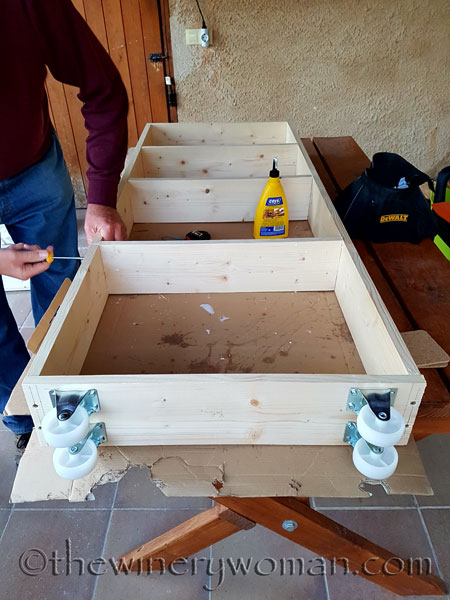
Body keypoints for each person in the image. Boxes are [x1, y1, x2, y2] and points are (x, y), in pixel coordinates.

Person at [0, 0, 129, 453]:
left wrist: (102, 199)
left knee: (59, 285)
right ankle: (25, 418)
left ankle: (66, 401)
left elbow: (103, 88)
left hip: (34, 168)